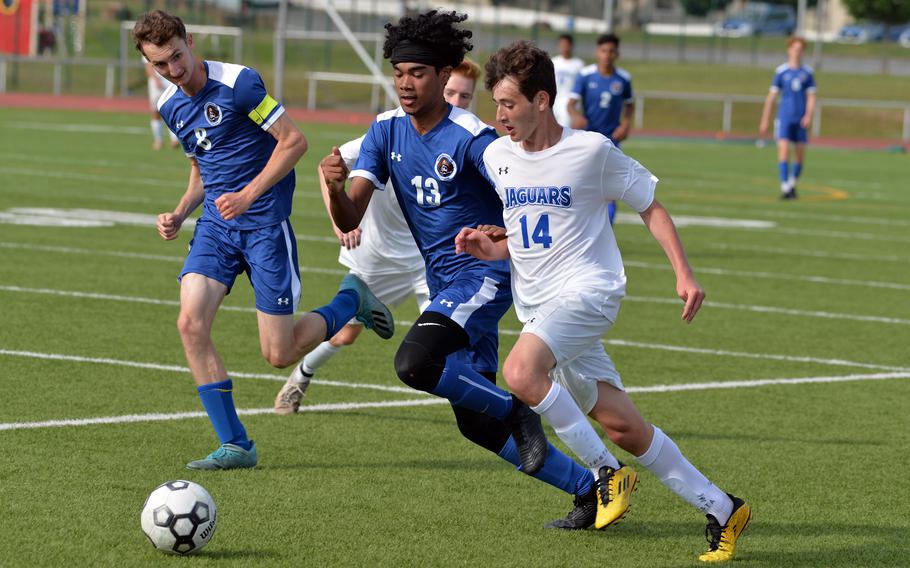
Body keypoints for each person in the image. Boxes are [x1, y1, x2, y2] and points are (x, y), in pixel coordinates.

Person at [455, 41, 751, 562]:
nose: (499, 116)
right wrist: (491, 246)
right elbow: (527, 233)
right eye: (496, 105)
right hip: (542, 307)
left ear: (542, 100)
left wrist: (684, 274)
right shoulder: (499, 157)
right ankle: (723, 507)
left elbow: (650, 206)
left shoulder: (591, 150)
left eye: (509, 104)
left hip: (589, 291)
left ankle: (605, 475)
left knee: (521, 372)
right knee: (624, 427)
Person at [320, 10, 617, 528]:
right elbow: (352, 216)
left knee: (415, 363)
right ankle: (587, 492)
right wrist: (332, 186)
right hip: (444, 282)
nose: (405, 84)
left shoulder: (473, 138)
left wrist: (510, 236)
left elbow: (522, 196)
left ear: (442, 75)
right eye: (398, 73)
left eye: (417, 73)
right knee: (473, 425)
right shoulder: (385, 132)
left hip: (484, 276)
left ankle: (517, 409)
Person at [133, 10, 394, 470]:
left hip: (265, 226)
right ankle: (236, 444)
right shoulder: (172, 105)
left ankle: (350, 301)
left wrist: (250, 194)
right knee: (190, 325)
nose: (174, 70)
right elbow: (201, 169)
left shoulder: (241, 85)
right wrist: (179, 211)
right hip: (215, 227)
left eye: (177, 57)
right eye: (161, 65)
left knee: (279, 352)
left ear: (190, 41)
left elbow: (293, 141)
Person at [274, 57, 484, 414]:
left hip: (429, 259)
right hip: (379, 254)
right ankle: (302, 375)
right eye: (452, 93)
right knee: (346, 334)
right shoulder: (389, 129)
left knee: (453, 336)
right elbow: (329, 168)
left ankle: (497, 410)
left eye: (465, 97)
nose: (458, 102)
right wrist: (340, 221)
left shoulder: (467, 137)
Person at [567, 33, 634, 225]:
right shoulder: (586, 75)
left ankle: (607, 230)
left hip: (612, 141)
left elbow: (629, 104)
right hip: (587, 140)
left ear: (617, 54)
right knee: (580, 187)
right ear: (598, 52)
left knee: (610, 190)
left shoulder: (623, 79)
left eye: (611, 51)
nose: (607, 55)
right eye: (604, 51)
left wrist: (626, 124)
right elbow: (571, 103)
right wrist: (576, 116)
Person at [759, 36, 816, 200]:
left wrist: (808, 115)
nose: (797, 52)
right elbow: (771, 97)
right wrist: (765, 119)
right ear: (789, 50)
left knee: (799, 155)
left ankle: (791, 184)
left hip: (800, 119)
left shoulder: (807, 73)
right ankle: (785, 187)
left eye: (800, 49)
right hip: (784, 118)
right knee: (783, 151)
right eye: (794, 48)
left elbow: (812, 97)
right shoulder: (781, 72)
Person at [144, 56, 180, 150]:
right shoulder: (146, 47)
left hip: (168, 80)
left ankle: (174, 139)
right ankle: (158, 140)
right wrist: (155, 80)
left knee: (171, 110)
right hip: (156, 82)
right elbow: (148, 66)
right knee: (156, 112)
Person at [551, 34, 584, 129]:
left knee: (564, 129)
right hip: (554, 101)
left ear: (571, 46)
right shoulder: (554, 62)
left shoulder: (578, 64)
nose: (564, 47)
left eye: (566, 44)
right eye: (562, 44)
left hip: (569, 102)